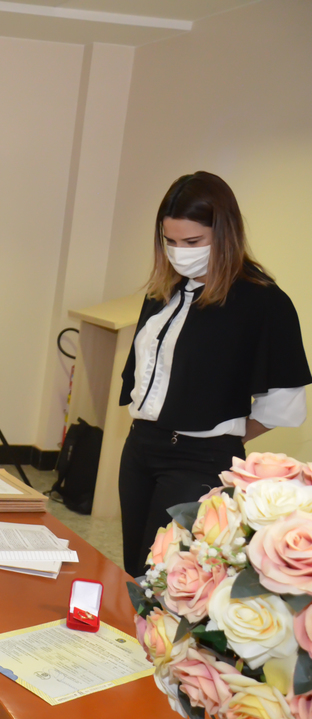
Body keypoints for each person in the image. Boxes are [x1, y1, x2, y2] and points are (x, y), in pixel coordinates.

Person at [118, 172, 311, 578]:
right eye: (170, 241)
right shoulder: (165, 291)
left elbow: (285, 402)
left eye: (192, 242)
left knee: (163, 576)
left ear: (224, 234)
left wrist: (221, 441)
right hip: (140, 448)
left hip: (198, 460)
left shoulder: (263, 301)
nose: (179, 253)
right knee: (134, 570)